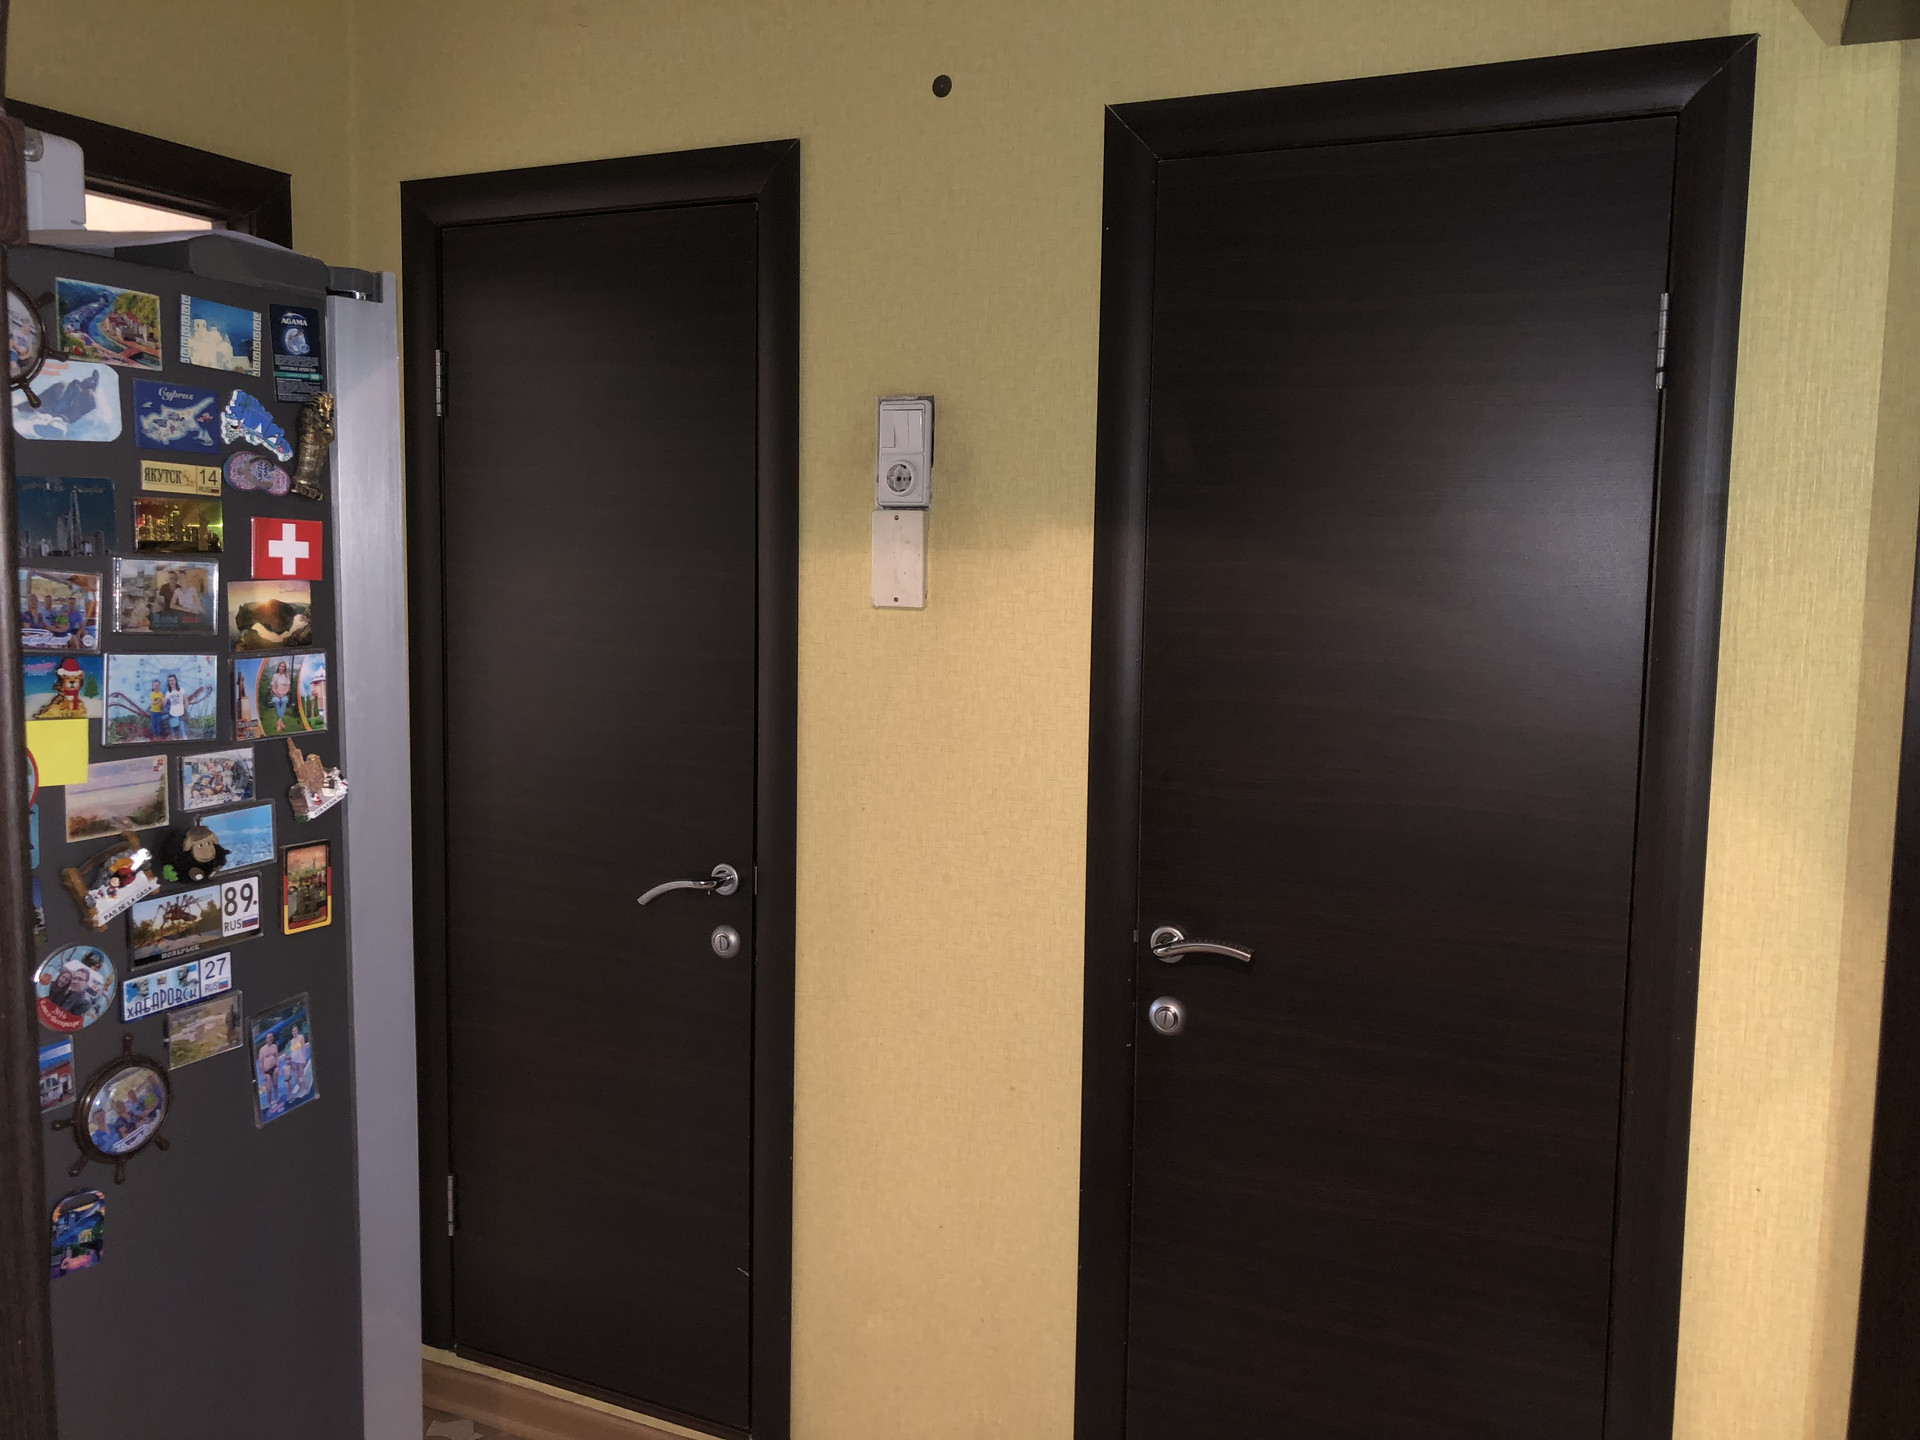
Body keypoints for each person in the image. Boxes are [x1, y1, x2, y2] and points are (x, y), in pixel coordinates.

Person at [269, 660, 292, 727]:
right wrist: (277, 693)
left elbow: (288, 687)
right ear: (278, 667)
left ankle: (279, 722)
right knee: (276, 701)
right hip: (276, 694)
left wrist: (283, 693)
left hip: (284, 694)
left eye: (283, 666)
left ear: (285, 668)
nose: (282, 667)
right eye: (281, 666)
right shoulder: (275, 676)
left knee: (284, 700)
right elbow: (272, 687)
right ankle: (280, 722)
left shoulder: (286, 676)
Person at [163, 673, 187, 739]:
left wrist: (183, 708)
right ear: (168, 683)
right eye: (170, 681)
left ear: (176, 681)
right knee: (173, 732)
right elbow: (164, 704)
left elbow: (186, 700)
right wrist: (162, 699)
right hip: (172, 714)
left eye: (173, 680)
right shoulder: (168, 692)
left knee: (182, 730)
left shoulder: (181, 689)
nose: (171, 682)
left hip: (180, 714)